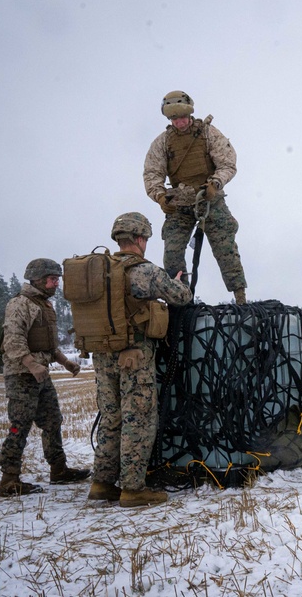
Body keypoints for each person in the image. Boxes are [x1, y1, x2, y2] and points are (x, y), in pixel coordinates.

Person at [88, 212, 192, 507]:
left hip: (102, 355)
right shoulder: (143, 270)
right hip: (133, 355)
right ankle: (133, 489)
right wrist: (176, 282)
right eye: (144, 238)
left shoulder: (98, 270)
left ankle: (102, 483)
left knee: (112, 418)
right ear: (139, 239)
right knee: (139, 418)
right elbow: (181, 297)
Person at [142, 90, 248, 304]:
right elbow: (152, 173)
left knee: (225, 248)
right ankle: (181, 301)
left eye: (182, 117)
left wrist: (215, 183)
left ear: (189, 114)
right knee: (172, 254)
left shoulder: (208, 133)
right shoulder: (162, 143)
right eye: (174, 119)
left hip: (209, 200)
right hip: (179, 204)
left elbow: (228, 162)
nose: (179, 122)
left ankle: (240, 298)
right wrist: (161, 197)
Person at [0, 258, 90, 497]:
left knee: (52, 421)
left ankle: (58, 470)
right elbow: (12, 341)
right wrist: (30, 364)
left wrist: (66, 362)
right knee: (19, 425)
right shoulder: (20, 304)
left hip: (40, 374)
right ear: (38, 279)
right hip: (21, 375)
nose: (56, 283)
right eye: (52, 279)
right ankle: (9, 480)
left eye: (57, 278)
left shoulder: (44, 306)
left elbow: (48, 345)